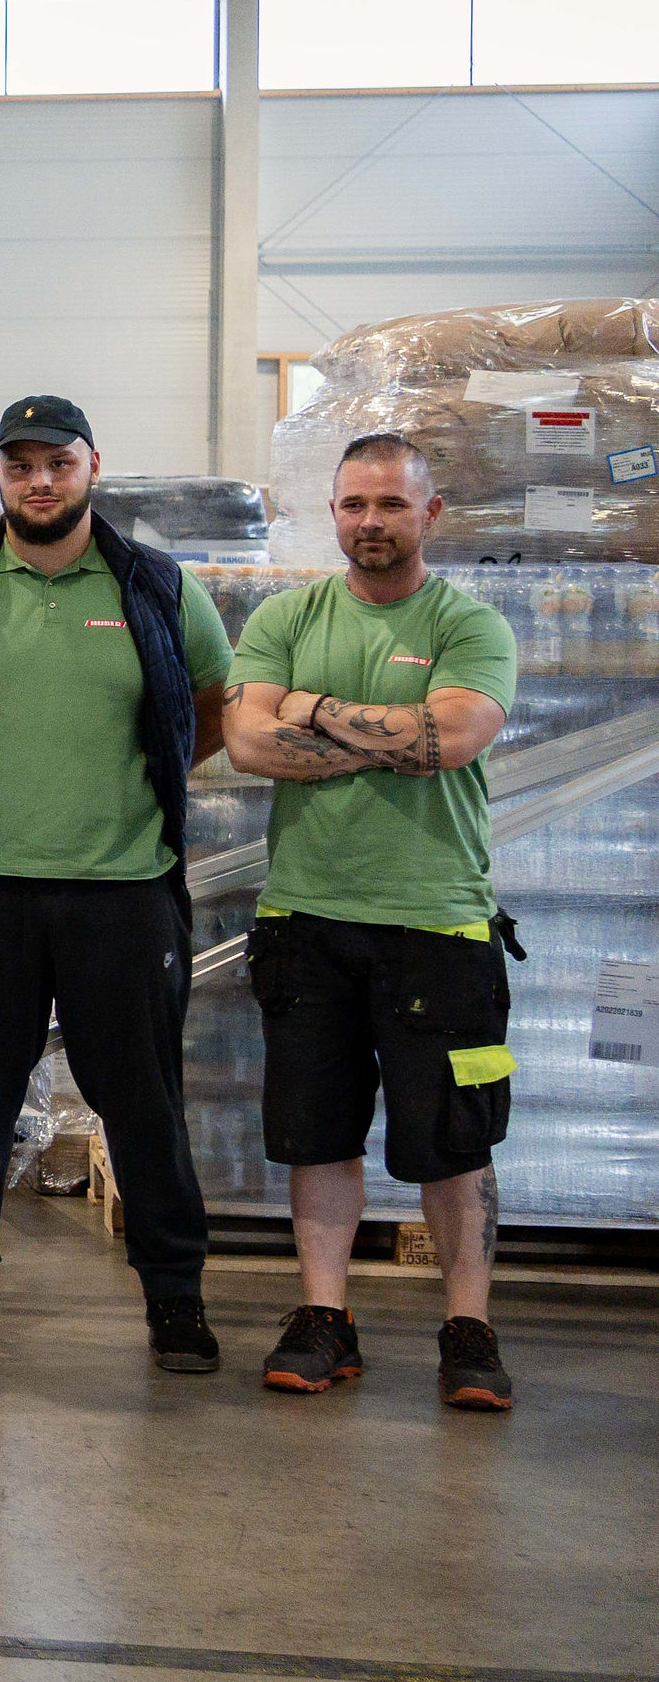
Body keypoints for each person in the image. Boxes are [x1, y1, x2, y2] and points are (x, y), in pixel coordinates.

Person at [0, 396, 232, 1371]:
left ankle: (176, 1298)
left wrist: (141, 787)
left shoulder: (154, 584)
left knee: (142, 1102)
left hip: (123, 891)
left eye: (56, 462)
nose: (39, 480)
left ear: (91, 467)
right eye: (19, 464)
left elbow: (213, 705)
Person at [224, 434, 521, 1410]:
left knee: (455, 1138)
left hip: (440, 925)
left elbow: (452, 737)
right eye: (354, 505)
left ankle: (468, 1329)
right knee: (318, 1136)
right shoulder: (286, 616)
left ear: (428, 514)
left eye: (390, 505)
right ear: (334, 512)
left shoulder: (471, 624)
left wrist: (312, 710)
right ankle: (324, 1318)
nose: (370, 522)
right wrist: (388, 738)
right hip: (306, 918)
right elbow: (248, 742)